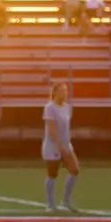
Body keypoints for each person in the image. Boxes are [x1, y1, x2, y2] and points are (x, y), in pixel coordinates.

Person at [42, 83, 79, 211]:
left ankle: (66, 200)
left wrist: (66, 144)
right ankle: (51, 204)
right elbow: (52, 129)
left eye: (66, 90)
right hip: (53, 145)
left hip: (66, 144)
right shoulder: (49, 107)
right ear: (56, 92)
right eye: (62, 90)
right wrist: (58, 145)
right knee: (52, 173)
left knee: (74, 170)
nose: (65, 93)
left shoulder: (68, 107)